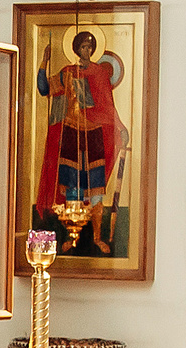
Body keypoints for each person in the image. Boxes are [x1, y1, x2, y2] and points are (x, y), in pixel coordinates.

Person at [34, 30, 129, 255]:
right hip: (71, 136)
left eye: (90, 47)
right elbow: (43, 89)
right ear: (76, 49)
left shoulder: (99, 74)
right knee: (72, 189)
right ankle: (71, 238)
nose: (86, 50)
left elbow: (109, 107)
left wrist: (121, 128)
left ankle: (97, 238)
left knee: (95, 190)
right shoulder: (67, 73)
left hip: (94, 136)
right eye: (83, 47)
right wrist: (44, 61)